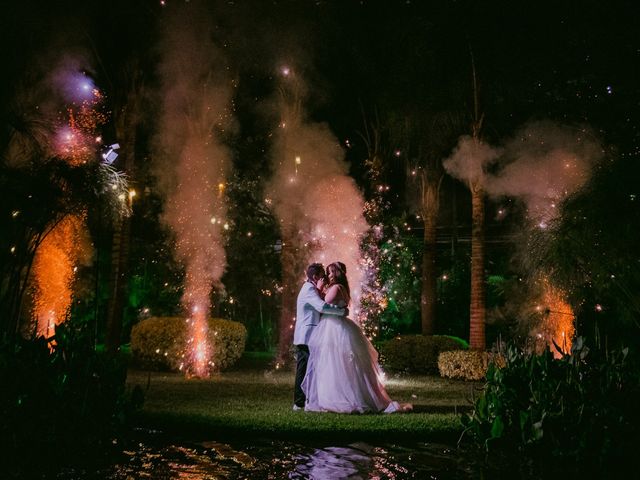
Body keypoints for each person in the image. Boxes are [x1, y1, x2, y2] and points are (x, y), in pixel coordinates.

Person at [302, 262, 412, 414]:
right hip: (334, 326)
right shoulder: (339, 288)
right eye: (328, 272)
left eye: (332, 272)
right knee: (333, 364)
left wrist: (319, 289)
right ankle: (334, 394)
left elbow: (324, 303)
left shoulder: (336, 288)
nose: (329, 275)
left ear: (338, 273)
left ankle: (343, 397)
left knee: (336, 363)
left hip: (335, 328)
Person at [293, 263, 347, 411]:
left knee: (310, 369)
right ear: (315, 277)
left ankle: (308, 400)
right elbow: (322, 307)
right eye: (323, 275)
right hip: (306, 335)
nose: (324, 278)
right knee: (304, 370)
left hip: (310, 335)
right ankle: (299, 403)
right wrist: (342, 312)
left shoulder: (312, 289)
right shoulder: (309, 289)